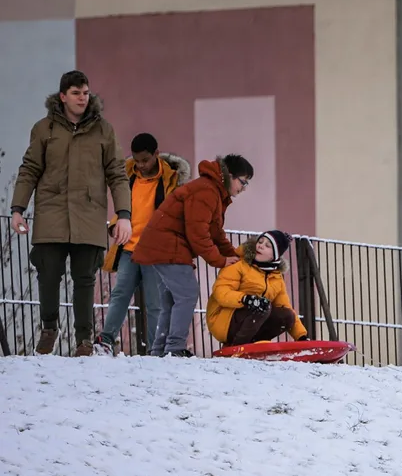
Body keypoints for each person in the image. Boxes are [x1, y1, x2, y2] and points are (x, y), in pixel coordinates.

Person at [9, 70, 132, 356]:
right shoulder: (44, 128)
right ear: (63, 96)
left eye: (86, 93)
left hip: (88, 214)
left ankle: (84, 340)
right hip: (51, 212)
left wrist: (123, 213)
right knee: (48, 275)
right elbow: (30, 169)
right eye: (76, 93)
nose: (82, 98)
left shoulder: (104, 130)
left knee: (85, 278)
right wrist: (18, 209)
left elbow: (117, 173)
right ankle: (49, 328)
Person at [133, 154, 251, 357]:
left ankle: (161, 350)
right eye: (243, 182)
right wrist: (220, 260)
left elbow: (214, 231)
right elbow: (198, 233)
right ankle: (174, 347)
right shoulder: (207, 190)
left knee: (172, 299)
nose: (243, 188)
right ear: (229, 175)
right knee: (187, 294)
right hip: (168, 244)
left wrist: (233, 256)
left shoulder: (213, 190)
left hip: (166, 244)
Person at [94, 133, 191, 355]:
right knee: (120, 293)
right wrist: (116, 224)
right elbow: (123, 205)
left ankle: (154, 351)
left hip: (155, 251)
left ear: (156, 155)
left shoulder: (170, 179)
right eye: (137, 160)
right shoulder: (128, 174)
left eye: (145, 160)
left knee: (155, 303)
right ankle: (106, 341)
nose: (141, 165)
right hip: (129, 247)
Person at [207, 230, 309, 346]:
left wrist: (301, 336)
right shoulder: (238, 264)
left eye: (267, 245)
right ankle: (236, 346)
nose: (260, 246)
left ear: (275, 255)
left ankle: (255, 344)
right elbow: (221, 293)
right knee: (262, 306)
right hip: (223, 320)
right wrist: (246, 299)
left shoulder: (276, 277)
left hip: (254, 319)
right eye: (260, 241)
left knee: (287, 315)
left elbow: (284, 305)